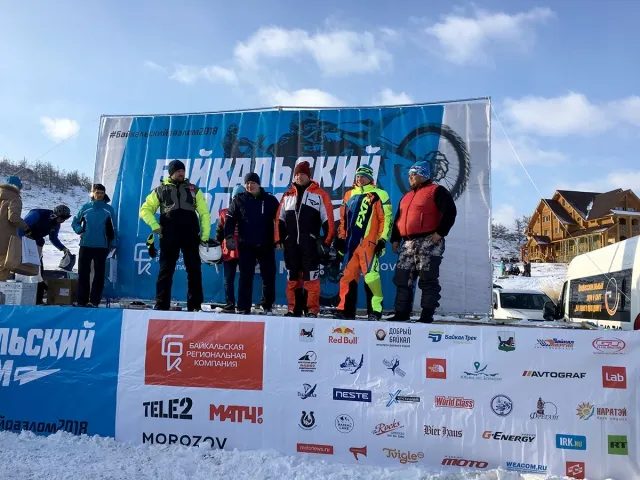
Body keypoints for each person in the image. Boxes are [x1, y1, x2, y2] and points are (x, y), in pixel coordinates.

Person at [388, 160, 457, 323]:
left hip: (428, 241)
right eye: (409, 175)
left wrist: (440, 233)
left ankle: (426, 315)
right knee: (402, 279)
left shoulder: (437, 190)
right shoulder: (406, 196)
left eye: (413, 174)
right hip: (407, 243)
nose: (410, 178)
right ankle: (401, 313)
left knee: (427, 279)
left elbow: (450, 211)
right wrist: (395, 239)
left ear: (423, 175)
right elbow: (398, 219)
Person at [139, 160, 211, 312]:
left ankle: (195, 306)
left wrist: (205, 235)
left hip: (190, 236)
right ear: (171, 173)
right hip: (169, 236)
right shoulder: (160, 190)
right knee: (165, 270)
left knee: (194, 271)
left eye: (183, 170)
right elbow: (145, 210)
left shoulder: (194, 190)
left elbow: (204, 213)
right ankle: (161, 305)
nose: (181, 173)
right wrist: (154, 225)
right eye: (178, 171)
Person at [275, 161, 335, 318]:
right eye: (296, 175)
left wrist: (327, 241)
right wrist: (279, 239)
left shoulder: (320, 194)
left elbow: (328, 220)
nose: (299, 177)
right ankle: (293, 309)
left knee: (311, 278)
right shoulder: (287, 195)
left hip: (310, 244)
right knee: (292, 278)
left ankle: (311, 310)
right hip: (291, 245)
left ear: (308, 176)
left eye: (302, 174)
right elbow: (279, 219)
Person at [334, 164, 393, 321]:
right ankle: (345, 311)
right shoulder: (349, 194)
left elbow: (386, 219)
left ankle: (375, 311)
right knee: (347, 277)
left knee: (371, 278)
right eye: (358, 176)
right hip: (350, 246)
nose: (360, 178)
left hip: (369, 244)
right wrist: (341, 238)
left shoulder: (379, 194)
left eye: (364, 176)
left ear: (370, 178)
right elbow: (343, 219)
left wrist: (382, 240)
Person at [224, 172, 279, 314]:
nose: (249, 186)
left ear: (258, 184)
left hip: (266, 244)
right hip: (246, 245)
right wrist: (228, 237)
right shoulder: (239, 200)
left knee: (268, 276)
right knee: (245, 276)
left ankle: (267, 305)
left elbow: (280, 220)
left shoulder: (270, 200)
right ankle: (243, 307)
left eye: (252, 183)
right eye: (247, 183)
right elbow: (230, 220)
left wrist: (279, 239)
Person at [71, 184, 117, 307]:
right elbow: (75, 222)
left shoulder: (109, 209)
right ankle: (81, 301)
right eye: (97, 193)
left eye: (102, 193)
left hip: (102, 246)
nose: (99, 195)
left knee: (99, 275)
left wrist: (113, 243)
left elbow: (114, 228)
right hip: (85, 245)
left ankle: (94, 301)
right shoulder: (85, 208)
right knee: (83, 273)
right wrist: (79, 230)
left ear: (104, 194)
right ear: (93, 193)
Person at [22, 204, 72, 304]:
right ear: (55, 215)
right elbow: (21, 226)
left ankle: (38, 300)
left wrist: (63, 248)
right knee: (23, 271)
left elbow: (53, 238)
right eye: (62, 218)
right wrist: (19, 242)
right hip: (23, 243)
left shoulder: (56, 224)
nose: (63, 221)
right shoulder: (37, 214)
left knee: (39, 272)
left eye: (66, 218)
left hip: (36, 246)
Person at [215, 184, 245, 313]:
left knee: (244, 279)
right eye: (235, 196)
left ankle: (243, 305)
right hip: (229, 251)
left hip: (245, 249)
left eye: (240, 196)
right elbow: (219, 234)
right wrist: (216, 253)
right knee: (228, 279)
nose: (237, 199)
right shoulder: (224, 213)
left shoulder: (248, 211)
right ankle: (230, 304)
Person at [0, 176, 29, 281]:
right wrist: (26, 228)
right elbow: (13, 217)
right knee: (3, 269)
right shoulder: (14, 198)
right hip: (4, 241)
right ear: (18, 187)